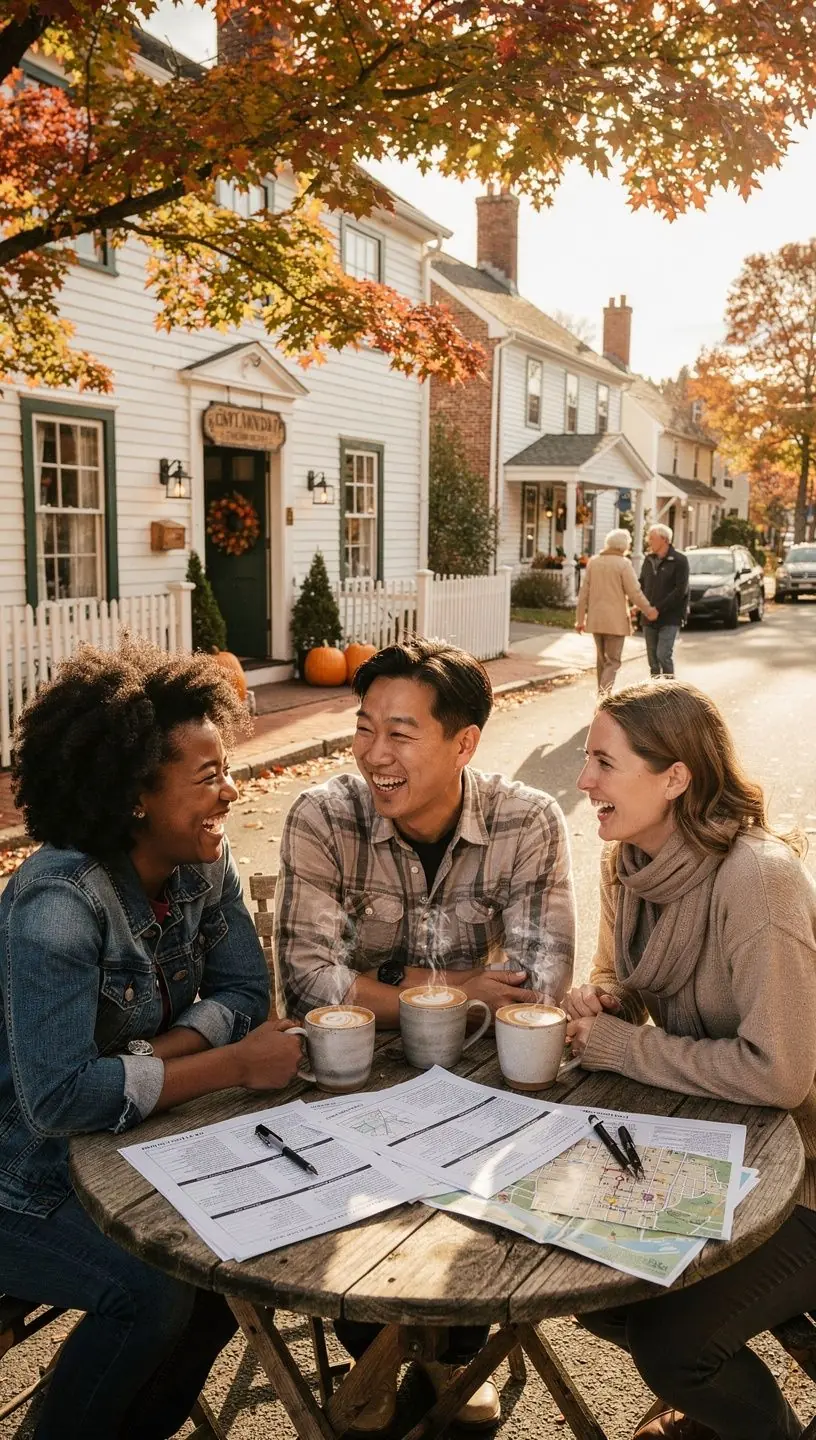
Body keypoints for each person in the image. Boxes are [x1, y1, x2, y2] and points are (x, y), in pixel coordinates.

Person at [0, 641, 303, 1440]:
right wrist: (228, 1064)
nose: (232, 792)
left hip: (126, 1142)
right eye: (208, 777)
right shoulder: (58, 906)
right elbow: (61, 1098)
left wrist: (150, 1059)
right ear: (136, 795)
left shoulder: (203, 861)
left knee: (241, 1261)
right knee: (155, 1289)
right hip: (17, 1178)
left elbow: (244, 989)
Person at [276, 637, 576, 1432]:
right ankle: (369, 1348)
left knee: (485, 1204)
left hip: (473, 1084)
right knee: (338, 1212)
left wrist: (391, 993)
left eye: (400, 733)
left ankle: (450, 1353)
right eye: (364, 726)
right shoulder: (323, 815)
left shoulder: (529, 821)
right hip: (351, 1080)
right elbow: (308, 979)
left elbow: (540, 986)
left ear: (464, 743)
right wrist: (453, 990)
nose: (374, 753)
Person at [564, 679, 816, 1440]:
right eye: (585, 759)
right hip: (715, 1150)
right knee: (582, 1278)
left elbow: (781, 1074)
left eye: (604, 763)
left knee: (672, 1348)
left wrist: (624, 1044)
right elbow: (624, 982)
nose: (584, 782)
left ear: (675, 777)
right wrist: (604, 1000)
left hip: (807, 1176)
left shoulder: (757, 879)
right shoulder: (628, 865)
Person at [575, 528, 658, 693]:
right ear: (624, 546)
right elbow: (634, 592)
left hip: (596, 619)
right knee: (612, 661)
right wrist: (648, 610)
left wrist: (580, 620)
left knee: (601, 660)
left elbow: (583, 593)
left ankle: (602, 695)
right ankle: (603, 696)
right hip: (615, 621)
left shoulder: (594, 562)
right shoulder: (623, 564)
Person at [639, 523, 690, 678]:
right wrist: (640, 605)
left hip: (670, 617)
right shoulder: (648, 560)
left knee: (663, 655)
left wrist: (658, 609)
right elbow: (641, 584)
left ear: (664, 540)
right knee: (652, 661)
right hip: (648, 616)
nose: (649, 542)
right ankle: (655, 694)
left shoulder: (680, 560)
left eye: (652, 539)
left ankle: (670, 691)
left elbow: (680, 590)